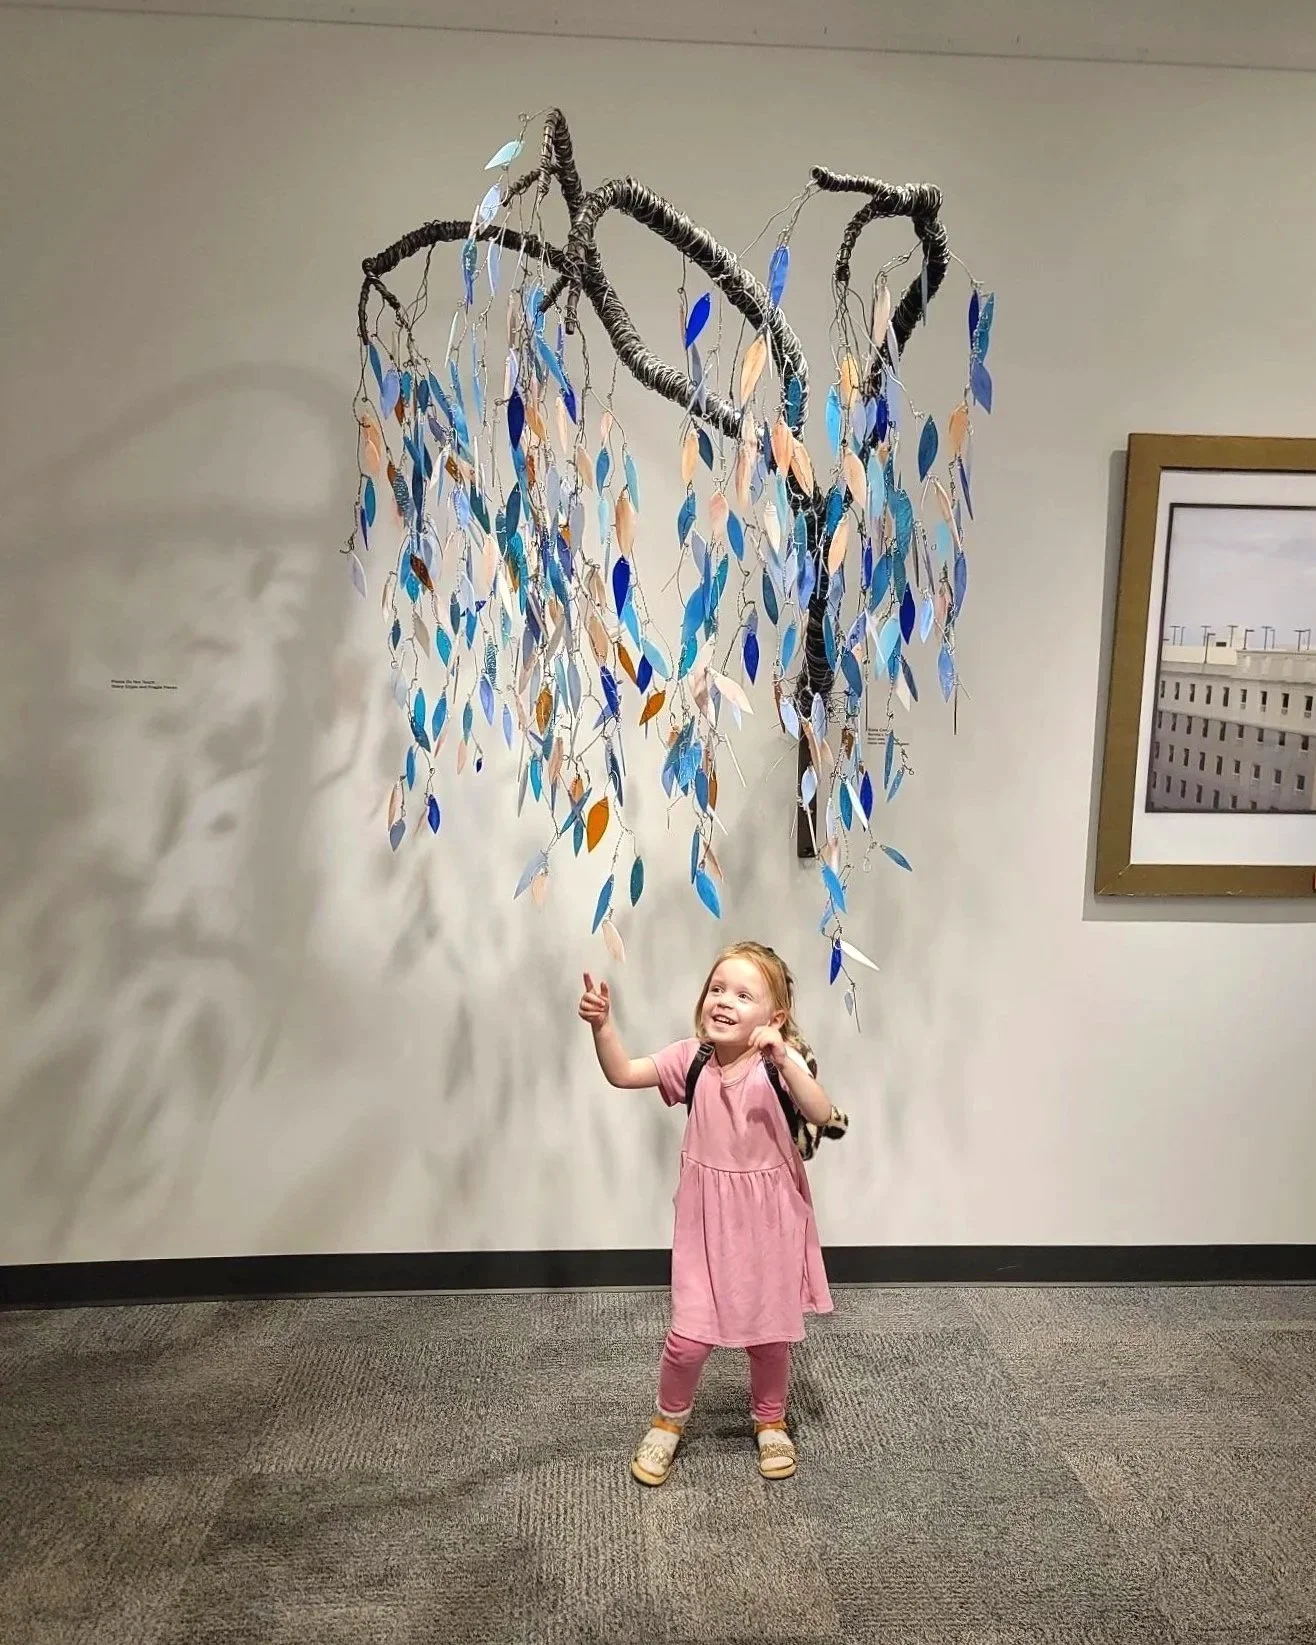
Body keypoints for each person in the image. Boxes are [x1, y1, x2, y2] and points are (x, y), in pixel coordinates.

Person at [578, 940, 836, 1485]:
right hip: (704, 1220)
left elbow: (822, 1112)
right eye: (718, 989)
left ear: (775, 1016)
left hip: (769, 1220)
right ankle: (668, 1422)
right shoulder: (691, 1059)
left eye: (744, 994)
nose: (724, 1001)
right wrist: (603, 1027)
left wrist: (785, 1057)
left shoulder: (779, 1068)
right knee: (688, 1336)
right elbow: (623, 1073)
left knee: (770, 1334)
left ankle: (770, 1420)